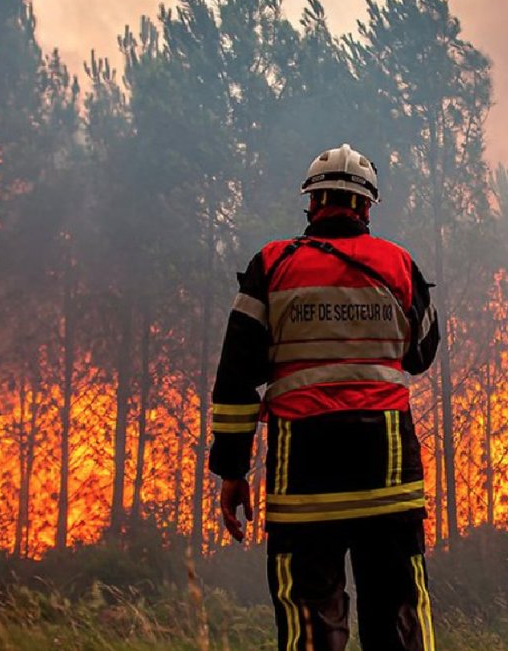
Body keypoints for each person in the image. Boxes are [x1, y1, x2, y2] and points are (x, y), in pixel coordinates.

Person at [209, 144, 440, 650]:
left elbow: (235, 383)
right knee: (398, 609)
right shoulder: (398, 263)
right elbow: (422, 353)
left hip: (304, 475)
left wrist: (232, 471)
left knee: (310, 619)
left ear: (311, 204)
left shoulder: (270, 265)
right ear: (368, 207)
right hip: (389, 473)